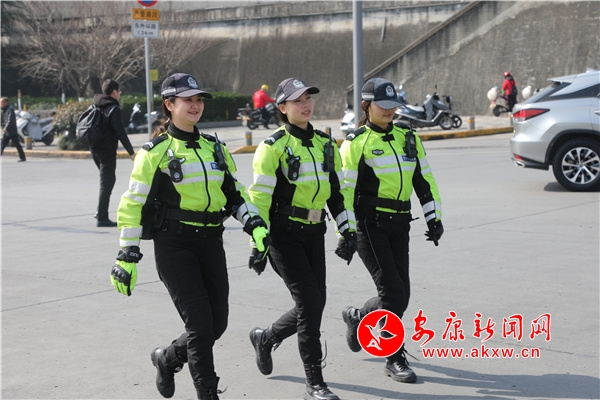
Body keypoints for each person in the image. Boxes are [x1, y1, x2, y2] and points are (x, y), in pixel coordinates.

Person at [109, 73, 270, 400]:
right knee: (199, 326)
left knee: (216, 324)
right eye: (187, 100)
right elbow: (132, 203)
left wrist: (255, 224)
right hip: (175, 245)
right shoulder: (155, 152)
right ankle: (208, 394)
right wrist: (127, 255)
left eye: (199, 100)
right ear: (170, 105)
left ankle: (167, 359)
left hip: (211, 242)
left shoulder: (214, 148)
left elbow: (234, 193)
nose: (195, 105)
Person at [247, 77, 356, 400]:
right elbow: (259, 199)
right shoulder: (272, 147)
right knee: (309, 303)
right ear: (282, 108)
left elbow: (336, 192)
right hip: (283, 236)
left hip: (314, 232)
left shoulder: (325, 144)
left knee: (314, 302)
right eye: (297, 100)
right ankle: (315, 381)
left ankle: (266, 338)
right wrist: (257, 243)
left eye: (308, 98)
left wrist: (346, 229)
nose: (305, 104)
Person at [339, 78, 444, 384]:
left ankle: (359, 317)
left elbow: (424, 180)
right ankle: (393, 356)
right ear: (366, 106)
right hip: (369, 226)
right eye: (382, 106)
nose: (389, 111)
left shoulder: (408, 138)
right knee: (393, 293)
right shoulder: (356, 143)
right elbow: (345, 192)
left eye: (393, 106)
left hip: (400, 224)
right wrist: (345, 232)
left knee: (401, 294)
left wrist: (433, 217)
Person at [91, 79, 135, 227]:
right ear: (114, 92)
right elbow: (120, 132)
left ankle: (100, 212)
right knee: (107, 182)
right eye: (119, 91)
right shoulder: (113, 108)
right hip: (106, 151)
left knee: (108, 181)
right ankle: (102, 217)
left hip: (94, 148)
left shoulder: (96, 104)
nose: (120, 94)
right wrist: (131, 153)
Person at [1, 97, 26, 162]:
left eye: (2, 102)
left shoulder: (10, 110)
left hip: (11, 131)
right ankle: (22, 157)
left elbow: (10, 120)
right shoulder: (5, 110)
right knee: (2, 144)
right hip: (8, 131)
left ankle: (23, 157)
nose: (1, 104)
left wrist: (6, 128)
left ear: (6, 102)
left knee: (17, 144)